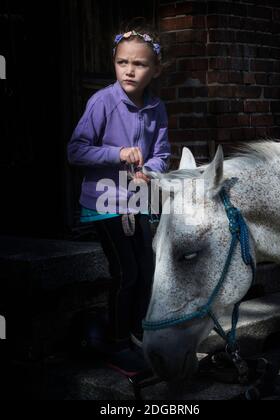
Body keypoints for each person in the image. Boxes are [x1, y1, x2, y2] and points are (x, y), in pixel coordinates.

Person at [67, 23, 171, 377]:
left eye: (139, 64)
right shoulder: (102, 102)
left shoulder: (157, 108)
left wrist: (151, 171)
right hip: (105, 204)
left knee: (148, 270)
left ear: (155, 69)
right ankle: (117, 343)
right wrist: (118, 154)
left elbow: (162, 153)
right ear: (114, 63)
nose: (129, 70)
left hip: (140, 198)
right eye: (122, 62)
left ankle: (140, 333)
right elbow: (76, 151)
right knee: (125, 272)